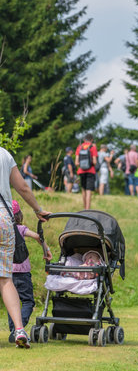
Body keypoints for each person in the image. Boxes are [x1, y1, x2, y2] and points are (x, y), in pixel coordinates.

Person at [0, 146, 51, 348]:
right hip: (4, 219)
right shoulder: (4, 153)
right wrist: (38, 210)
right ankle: (19, 330)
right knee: (5, 278)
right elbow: (23, 187)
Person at [7, 200, 52, 343]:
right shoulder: (20, 228)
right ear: (19, 215)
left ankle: (14, 329)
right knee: (28, 301)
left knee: (11, 301)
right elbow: (38, 237)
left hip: (7, 274)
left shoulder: (4, 229)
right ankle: (17, 329)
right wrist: (46, 250)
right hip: (23, 273)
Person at [75, 133, 98, 210]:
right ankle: (88, 209)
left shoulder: (80, 147)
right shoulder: (92, 147)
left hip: (81, 171)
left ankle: (84, 208)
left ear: (84, 139)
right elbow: (94, 162)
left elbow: (76, 162)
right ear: (92, 140)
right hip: (90, 171)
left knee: (84, 189)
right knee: (89, 190)